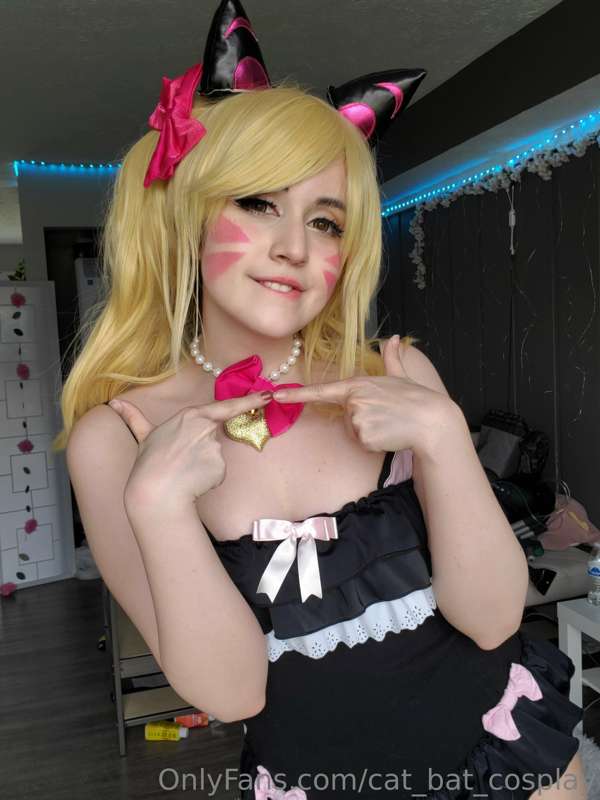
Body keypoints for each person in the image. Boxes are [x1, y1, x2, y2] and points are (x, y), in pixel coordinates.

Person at [58, 2, 587, 798]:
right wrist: (161, 510)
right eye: (257, 203)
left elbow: (492, 619)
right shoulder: (117, 437)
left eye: (326, 221)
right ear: (185, 215)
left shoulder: (400, 373)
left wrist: (445, 439)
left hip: (512, 767)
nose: (295, 248)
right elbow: (234, 695)